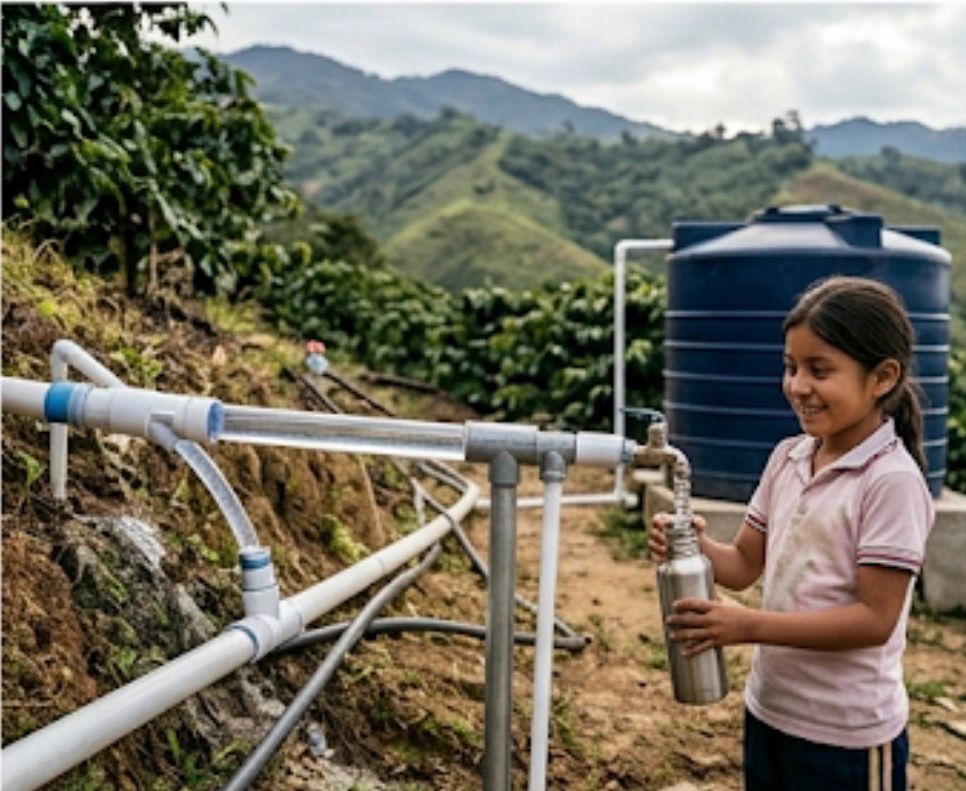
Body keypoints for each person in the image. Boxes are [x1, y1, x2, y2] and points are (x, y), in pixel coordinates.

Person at [649, 276, 934, 791]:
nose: (798, 385)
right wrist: (692, 545)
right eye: (791, 366)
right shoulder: (789, 456)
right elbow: (741, 565)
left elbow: (875, 620)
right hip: (771, 711)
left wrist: (747, 626)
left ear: (883, 377)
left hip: (846, 734)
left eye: (820, 370)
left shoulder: (890, 481)